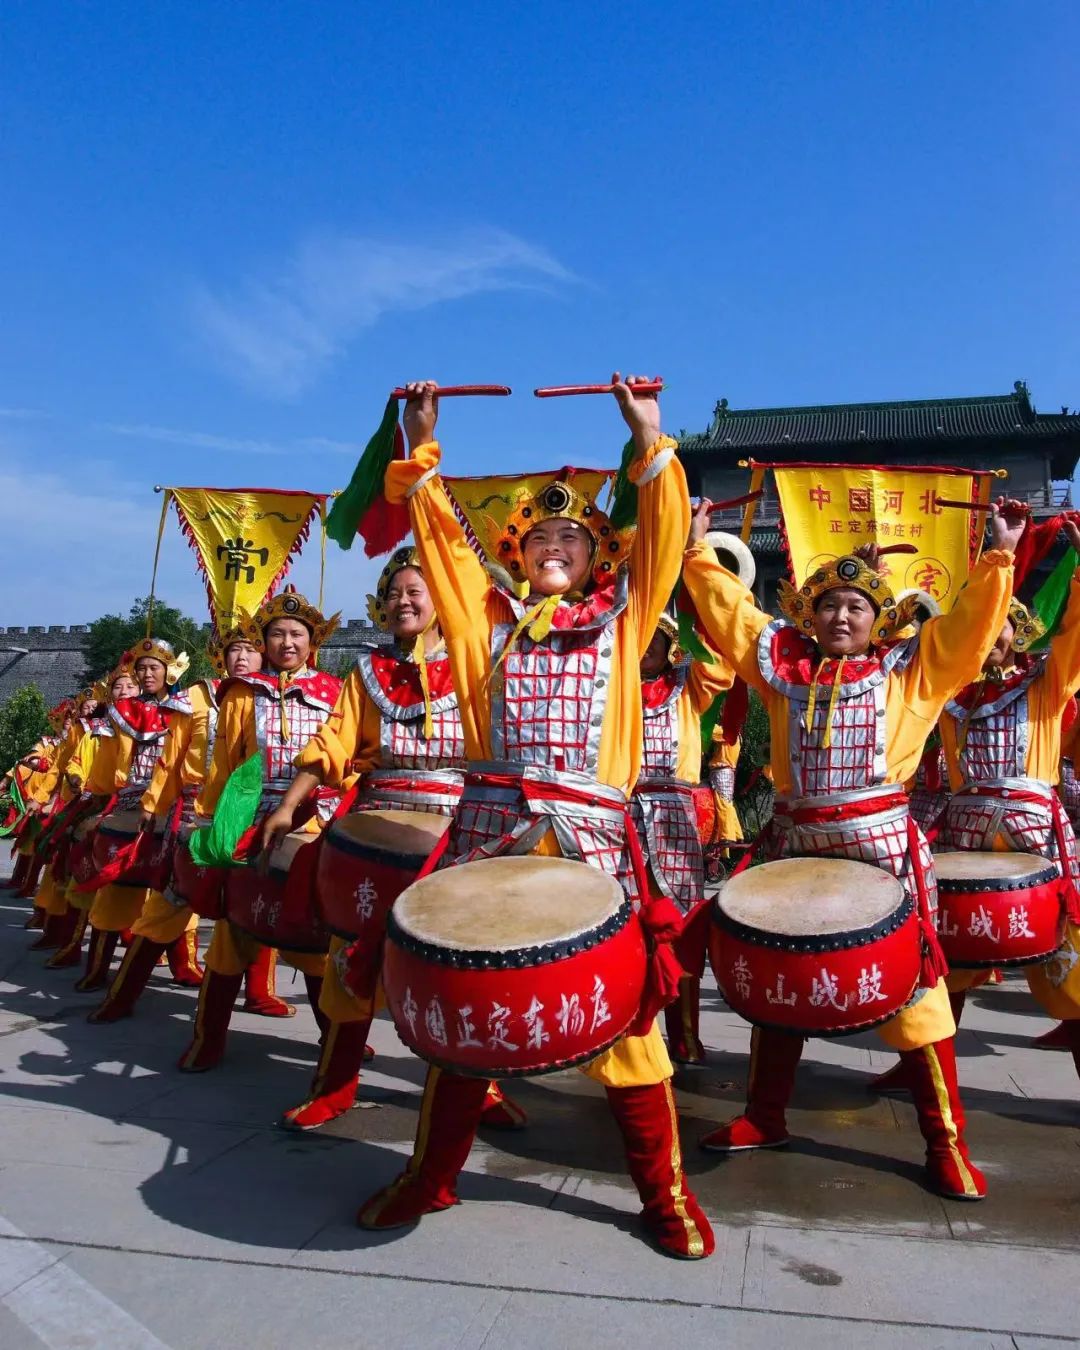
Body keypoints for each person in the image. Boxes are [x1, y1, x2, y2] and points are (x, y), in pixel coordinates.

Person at [353, 375, 714, 1261]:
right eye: (541, 536)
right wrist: (422, 442)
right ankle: (429, 1177)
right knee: (463, 1014)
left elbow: (663, 541)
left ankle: (662, 1193)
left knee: (629, 1033)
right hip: (488, 836)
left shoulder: (628, 621)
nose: (555, 545)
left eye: (573, 536)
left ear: (596, 556)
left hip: (592, 844)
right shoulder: (485, 620)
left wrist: (650, 440)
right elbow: (439, 548)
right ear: (519, 555)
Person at [680, 495, 1025, 1200]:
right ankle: (764, 1115)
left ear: (876, 622)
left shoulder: (912, 674)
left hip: (880, 852)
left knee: (917, 992)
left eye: (856, 608)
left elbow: (968, 629)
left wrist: (998, 555)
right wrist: (693, 550)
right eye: (829, 605)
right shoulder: (779, 670)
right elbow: (731, 615)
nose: (841, 616)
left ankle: (946, 1143)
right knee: (783, 979)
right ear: (809, 616)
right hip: (797, 843)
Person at [262, 548, 524, 1131]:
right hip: (375, 827)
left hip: (458, 830)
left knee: (458, 969)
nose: (403, 601)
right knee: (347, 960)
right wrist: (287, 805)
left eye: (416, 591)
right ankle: (335, 1086)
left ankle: (474, 1087)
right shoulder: (367, 672)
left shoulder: (481, 664)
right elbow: (333, 743)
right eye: (395, 592)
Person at [926, 547, 1080, 1079]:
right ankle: (923, 1068)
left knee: (1062, 952)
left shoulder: (1045, 683)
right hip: (964, 828)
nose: (993, 637)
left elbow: (1074, 640)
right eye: (983, 628)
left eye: (1003, 627)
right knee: (952, 957)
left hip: (1032, 828)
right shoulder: (949, 692)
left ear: (1018, 632)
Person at [87, 623, 291, 1022]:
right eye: (233, 650)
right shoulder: (196, 698)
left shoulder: (277, 696)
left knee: (258, 902)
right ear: (220, 656)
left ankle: (259, 991)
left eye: (250, 649)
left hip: (263, 811)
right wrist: (153, 804)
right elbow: (172, 758)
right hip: (199, 810)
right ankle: (122, 992)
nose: (242, 657)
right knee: (172, 899)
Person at [177, 588, 343, 1072]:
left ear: (313, 642)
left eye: (297, 634)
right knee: (234, 934)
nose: (287, 642)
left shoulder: (335, 693)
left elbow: (346, 760)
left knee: (314, 941)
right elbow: (226, 763)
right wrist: (212, 822)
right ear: (263, 641)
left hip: (316, 822)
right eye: (276, 633)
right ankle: (208, 1038)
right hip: (253, 819)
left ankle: (336, 1041)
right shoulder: (242, 694)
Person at [632, 615, 731, 1065]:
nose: (647, 645)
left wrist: (696, 607)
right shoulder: (612, 687)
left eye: (657, 637)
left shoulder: (687, 688)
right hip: (622, 813)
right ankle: (626, 1031)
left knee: (683, 931)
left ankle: (686, 1036)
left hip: (675, 814)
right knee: (624, 929)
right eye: (640, 636)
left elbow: (720, 667)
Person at [73, 639, 192, 992]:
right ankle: (97, 967)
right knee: (116, 890)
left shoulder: (186, 709)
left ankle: (183, 965)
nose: (146, 673)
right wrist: (94, 798)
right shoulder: (122, 712)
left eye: (153, 667)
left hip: (175, 803)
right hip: (130, 803)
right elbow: (109, 761)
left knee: (175, 891)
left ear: (170, 671)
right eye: (141, 668)